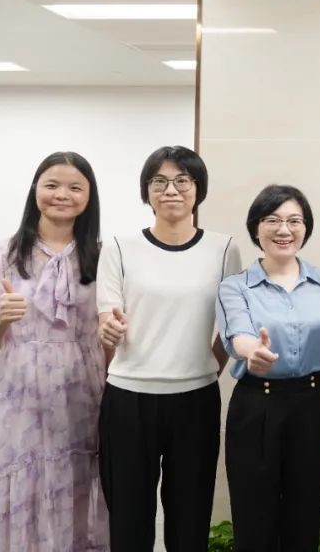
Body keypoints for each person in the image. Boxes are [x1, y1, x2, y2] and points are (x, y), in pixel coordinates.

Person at [0, 151, 108, 550]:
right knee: (16, 482)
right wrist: (1, 319)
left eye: (75, 187)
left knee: (77, 483)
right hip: (15, 395)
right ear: (35, 190)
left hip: (82, 394)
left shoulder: (104, 257)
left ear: (89, 196)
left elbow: (108, 337)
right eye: (51, 185)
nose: (62, 195)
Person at [96, 145, 242, 552]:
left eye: (182, 180)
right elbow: (107, 315)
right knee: (129, 518)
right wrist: (108, 330)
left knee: (190, 516)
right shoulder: (119, 247)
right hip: (128, 399)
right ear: (146, 191)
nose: (171, 190)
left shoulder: (224, 249)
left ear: (198, 189)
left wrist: (205, 367)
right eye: (158, 181)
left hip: (195, 401)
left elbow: (231, 323)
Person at [216, 184, 320, 551]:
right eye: (272, 220)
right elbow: (238, 335)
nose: (284, 230)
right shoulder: (235, 287)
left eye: (294, 221)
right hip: (256, 407)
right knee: (253, 521)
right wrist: (252, 352)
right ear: (256, 228)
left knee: (304, 519)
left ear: (306, 228)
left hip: (313, 407)